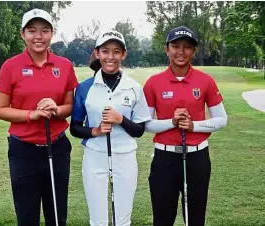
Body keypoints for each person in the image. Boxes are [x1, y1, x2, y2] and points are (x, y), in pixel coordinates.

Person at [0, 8, 78, 226]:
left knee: (57, 215)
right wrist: (33, 114)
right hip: (24, 151)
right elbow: (0, 109)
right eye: (32, 30)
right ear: (23, 34)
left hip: (57, 147)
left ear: (52, 33)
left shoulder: (65, 66)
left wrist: (56, 110)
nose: (38, 36)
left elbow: (69, 106)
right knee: (27, 215)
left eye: (44, 30)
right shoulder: (10, 66)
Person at [143, 26, 228, 226]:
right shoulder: (154, 82)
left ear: (194, 51)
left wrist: (193, 126)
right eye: (175, 46)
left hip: (197, 158)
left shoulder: (205, 81)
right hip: (165, 159)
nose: (181, 51)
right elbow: (146, 124)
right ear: (167, 49)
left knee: (195, 218)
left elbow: (221, 120)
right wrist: (172, 122)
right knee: (163, 218)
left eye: (187, 47)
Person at [70, 30, 151, 226]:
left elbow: (139, 130)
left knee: (122, 220)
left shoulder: (133, 87)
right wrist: (95, 131)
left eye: (116, 52)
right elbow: (74, 127)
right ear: (97, 53)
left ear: (123, 54)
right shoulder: (85, 88)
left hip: (125, 156)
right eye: (105, 51)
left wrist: (120, 119)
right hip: (95, 156)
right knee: (98, 220)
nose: (110, 57)